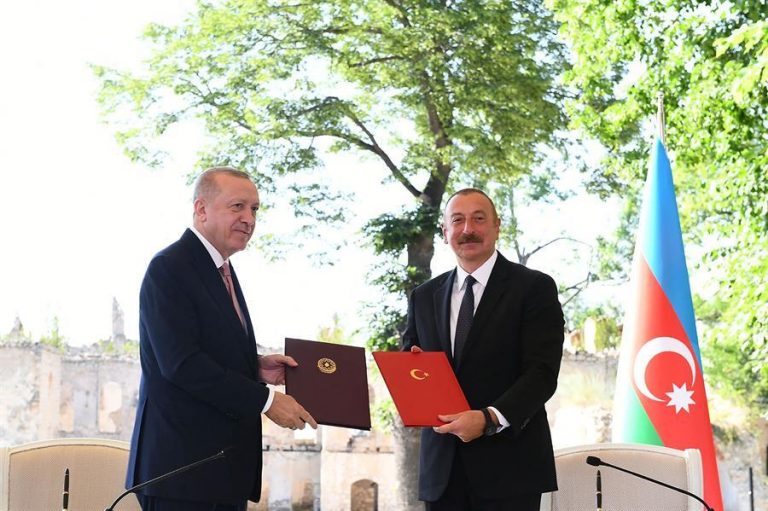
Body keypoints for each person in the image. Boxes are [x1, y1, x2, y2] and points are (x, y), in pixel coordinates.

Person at [126, 167, 317, 511]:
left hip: (220, 473)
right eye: (237, 206)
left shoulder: (221, 269)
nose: (249, 219)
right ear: (201, 209)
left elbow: (205, 349)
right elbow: (182, 365)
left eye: (254, 209)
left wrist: (256, 367)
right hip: (182, 474)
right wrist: (266, 401)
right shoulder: (170, 267)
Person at [402, 188, 564, 510]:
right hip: (441, 473)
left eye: (478, 219)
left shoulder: (534, 288)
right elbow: (410, 364)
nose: (468, 229)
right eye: (457, 221)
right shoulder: (423, 296)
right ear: (445, 231)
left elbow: (542, 373)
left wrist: (489, 418)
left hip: (510, 470)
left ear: (496, 226)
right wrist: (414, 373)